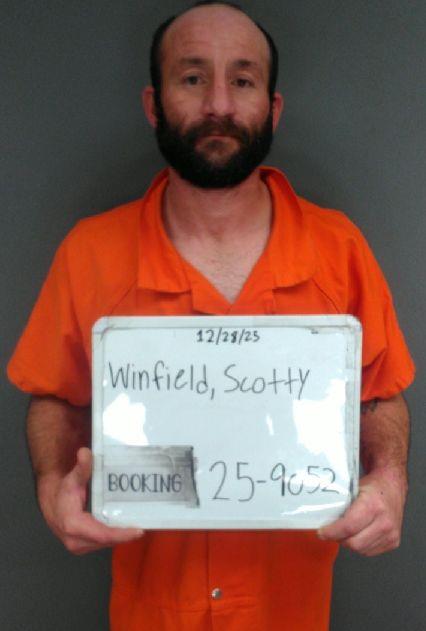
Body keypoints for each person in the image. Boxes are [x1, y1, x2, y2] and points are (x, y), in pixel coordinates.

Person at [7, 2, 415, 630]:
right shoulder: (90, 253)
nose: (218, 104)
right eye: (193, 77)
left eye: (243, 80)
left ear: (273, 108)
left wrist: (389, 478)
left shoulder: (340, 250)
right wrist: (52, 481)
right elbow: (55, 397)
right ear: (154, 105)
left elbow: (380, 396)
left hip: (293, 614)